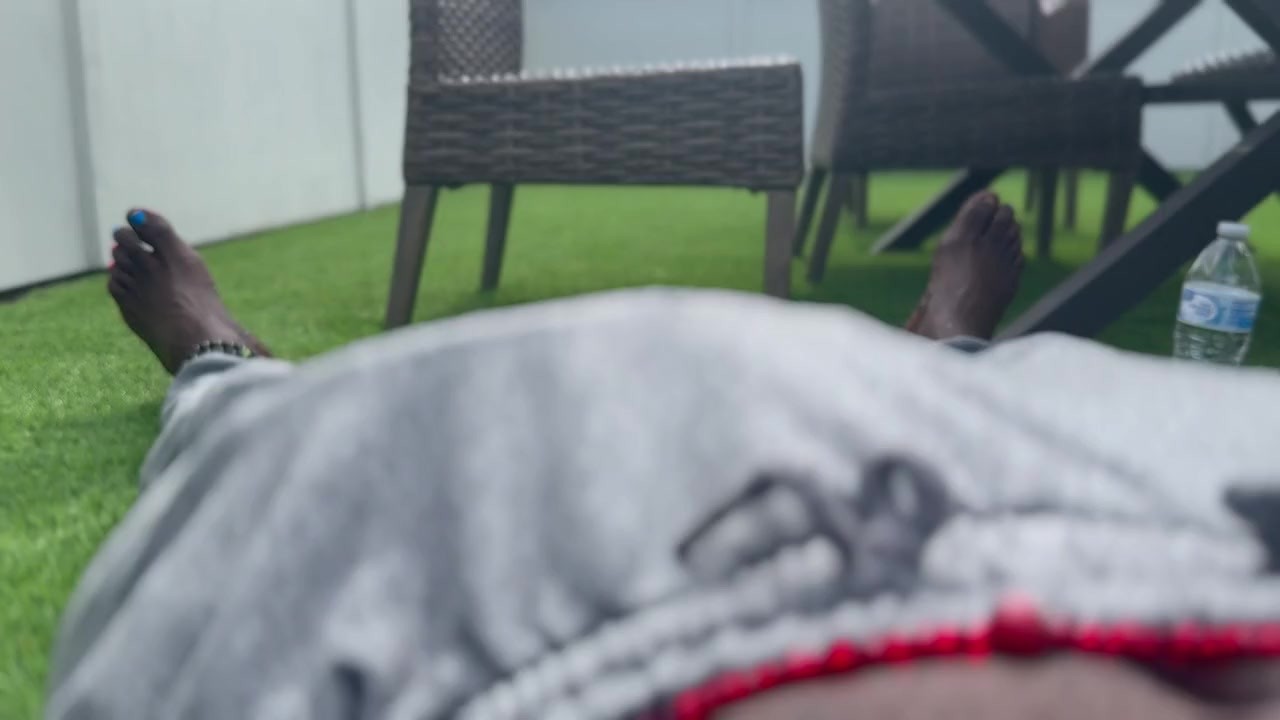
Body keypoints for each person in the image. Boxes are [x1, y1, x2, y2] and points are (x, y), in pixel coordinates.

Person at [48, 193, 1280, 719]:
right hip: (1183, 517)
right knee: (1025, 406)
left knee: (307, 478)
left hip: (496, 641)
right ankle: (945, 354)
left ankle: (221, 372)